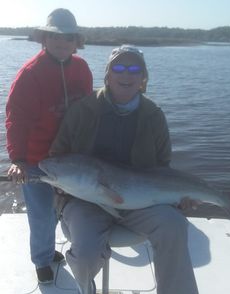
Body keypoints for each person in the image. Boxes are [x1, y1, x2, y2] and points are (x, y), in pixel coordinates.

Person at [49, 45, 199, 294]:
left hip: (139, 202)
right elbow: (57, 155)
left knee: (174, 225)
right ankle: (87, 289)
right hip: (84, 200)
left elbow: (163, 166)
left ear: (143, 78)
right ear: (107, 75)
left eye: (134, 69)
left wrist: (178, 198)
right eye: (119, 67)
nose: (126, 75)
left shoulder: (154, 115)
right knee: (85, 255)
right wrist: (60, 186)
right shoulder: (82, 110)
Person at [5, 8, 93, 284]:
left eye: (68, 37)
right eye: (55, 36)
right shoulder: (30, 74)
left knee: (60, 209)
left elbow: (90, 110)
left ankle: (50, 249)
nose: (62, 42)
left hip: (71, 159)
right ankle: (42, 260)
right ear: (44, 38)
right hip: (36, 159)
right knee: (42, 213)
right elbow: (16, 119)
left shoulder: (82, 68)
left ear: (76, 41)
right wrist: (18, 159)